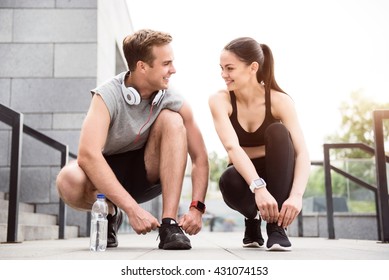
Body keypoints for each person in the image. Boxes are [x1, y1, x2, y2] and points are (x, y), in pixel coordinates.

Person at [56, 29, 209, 250]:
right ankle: (110, 211)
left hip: (147, 172)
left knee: (172, 120)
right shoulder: (106, 96)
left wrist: (197, 208)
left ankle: (169, 224)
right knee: (68, 179)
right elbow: (88, 155)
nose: (173, 70)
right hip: (104, 176)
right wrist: (132, 210)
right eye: (166, 64)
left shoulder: (174, 99)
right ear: (142, 66)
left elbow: (200, 158)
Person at [208, 37, 310, 251]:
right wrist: (258, 187)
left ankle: (275, 227)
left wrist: (296, 196)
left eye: (230, 68)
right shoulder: (220, 100)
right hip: (244, 178)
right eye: (221, 68)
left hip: (278, 175)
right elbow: (232, 148)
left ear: (252, 67)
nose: (223, 75)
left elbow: (301, 153)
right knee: (228, 179)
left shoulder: (280, 101)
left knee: (279, 132)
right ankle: (252, 218)